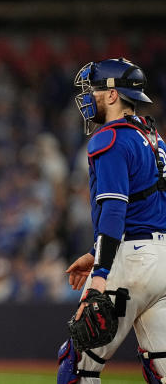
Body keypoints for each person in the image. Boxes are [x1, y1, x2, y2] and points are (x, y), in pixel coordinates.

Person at [57, 58, 166, 383]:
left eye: (93, 89)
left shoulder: (111, 138)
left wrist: (101, 273)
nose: (89, 97)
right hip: (162, 265)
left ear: (113, 95)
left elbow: (116, 210)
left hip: (129, 264)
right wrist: (94, 253)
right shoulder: (155, 141)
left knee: (76, 364)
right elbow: (146, 208)